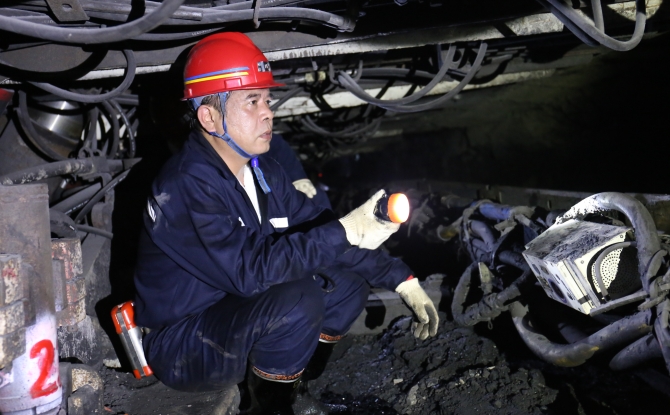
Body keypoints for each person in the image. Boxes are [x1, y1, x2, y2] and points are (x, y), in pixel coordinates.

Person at [133, 32, 439, 415]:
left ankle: (294, 391)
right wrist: (345, 231)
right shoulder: (184, 185)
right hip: (183, 342)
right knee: (298, 298)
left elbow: (314, 227)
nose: (268, 112)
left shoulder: (264, 173)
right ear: (209, 117)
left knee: (346, 285)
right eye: (252, 101)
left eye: (267, 100)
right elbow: (249, 272)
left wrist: (400, 278)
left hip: (232, 313)